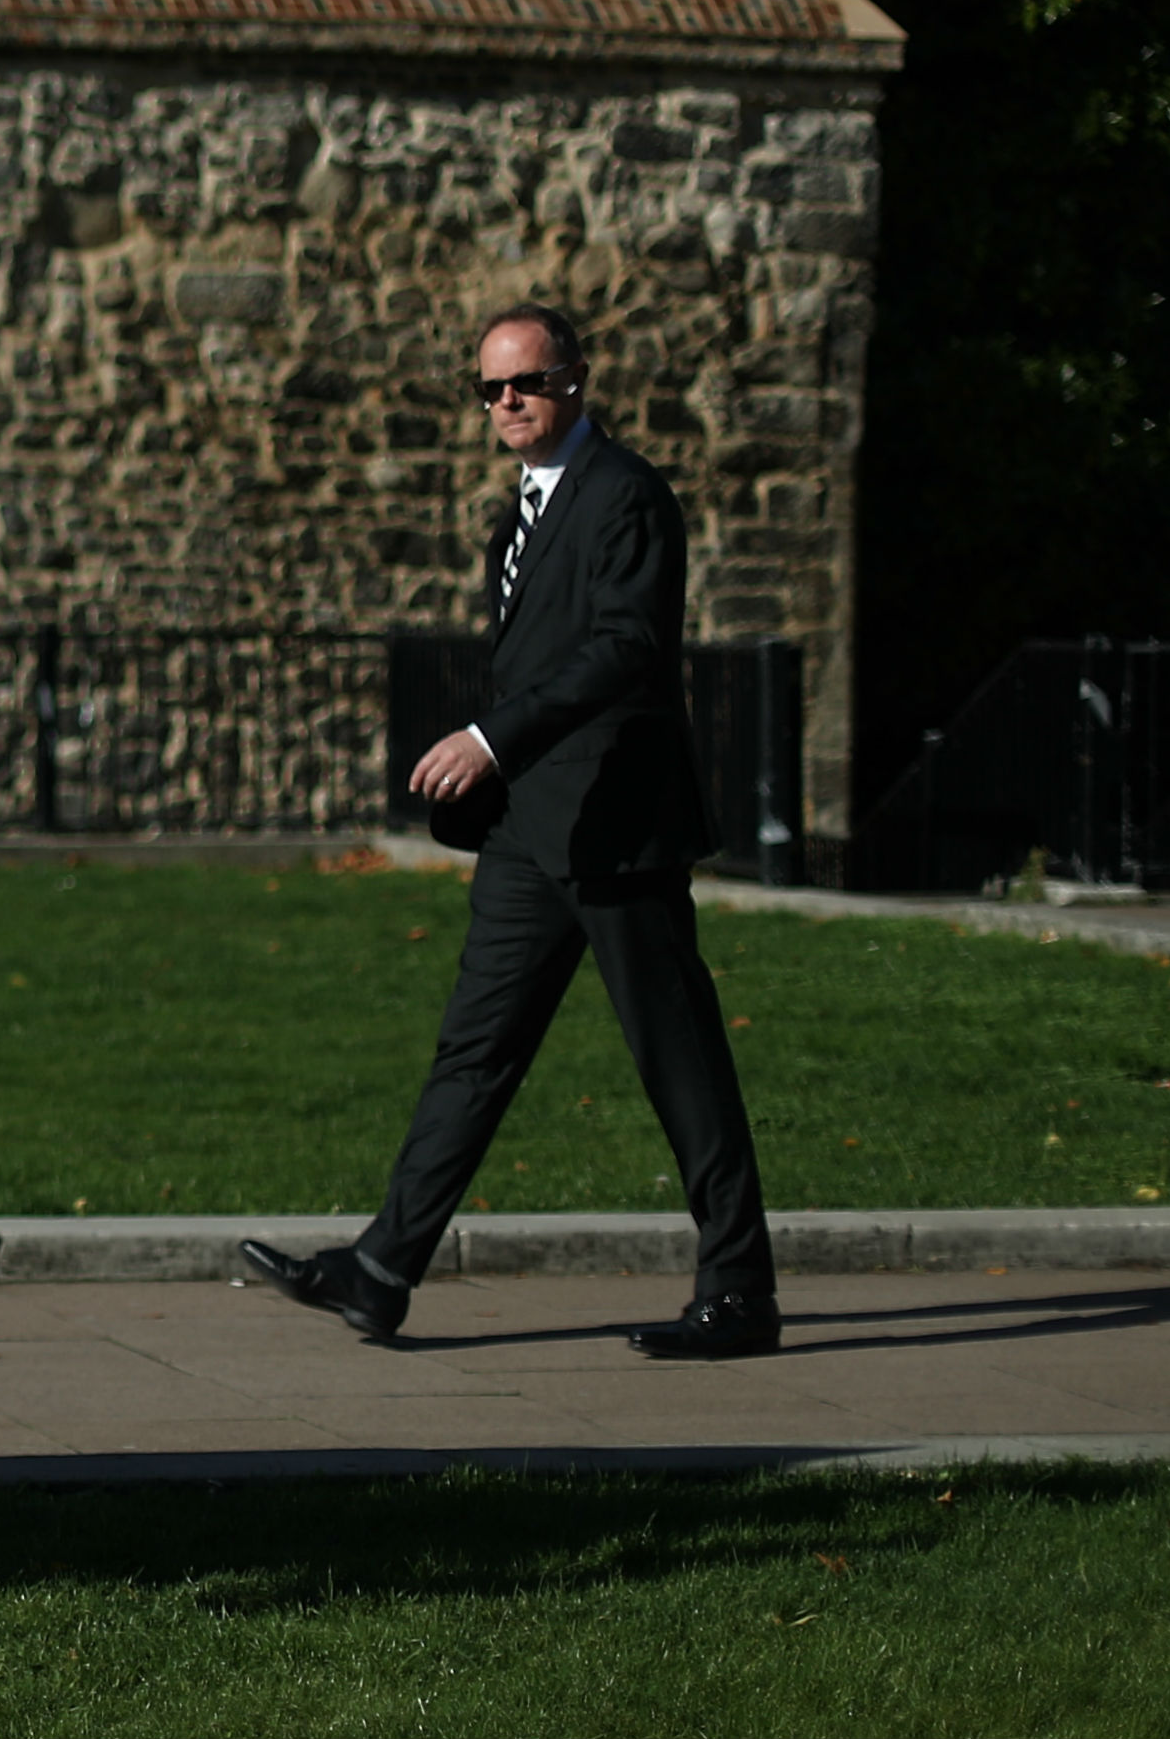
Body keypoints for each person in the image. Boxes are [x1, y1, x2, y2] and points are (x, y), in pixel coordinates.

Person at [242, 303, 781, 1360]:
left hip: (618, 833)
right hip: (531, 836)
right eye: (487, 389)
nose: (505, 404)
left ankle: (738, 1291)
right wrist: (493, 771)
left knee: (678, 1062)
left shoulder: (626, 498)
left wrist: (489, 736)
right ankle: (382, 1265)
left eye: (524, 383)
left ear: (575, 380)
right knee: (472, 1050)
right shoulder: (520, 512)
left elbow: (625, 650)